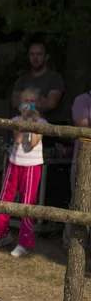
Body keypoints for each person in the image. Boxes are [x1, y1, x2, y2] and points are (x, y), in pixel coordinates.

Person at [0, 89, 46, 258]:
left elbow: (33, 142)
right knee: (5, 199)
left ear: (38, 103)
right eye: (25, 100)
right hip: (15, 163)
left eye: (32, 100)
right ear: (20, 104)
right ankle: (0, 234)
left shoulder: (42, 122)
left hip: (32, 165)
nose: (28, 103)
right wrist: (24, 120)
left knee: (27, 204)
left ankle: (24, 242)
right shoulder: (15, 120)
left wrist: (33, 122)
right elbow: (19, 139)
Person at [63, 87, 91, 252]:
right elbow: (83, 128)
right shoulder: (82, 100)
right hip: (83, 161)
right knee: (78, 203)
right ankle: (71, 245)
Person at [11, 39, 64, 124]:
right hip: (24, 125)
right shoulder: (22, 79)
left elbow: (51, 104)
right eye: (32, 54)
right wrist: (39, 103)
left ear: (46, 57)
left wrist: (25, 103)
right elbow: (15, 102)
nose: (35, 57)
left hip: (48, 127)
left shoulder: (55, 78)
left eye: (39, 54)